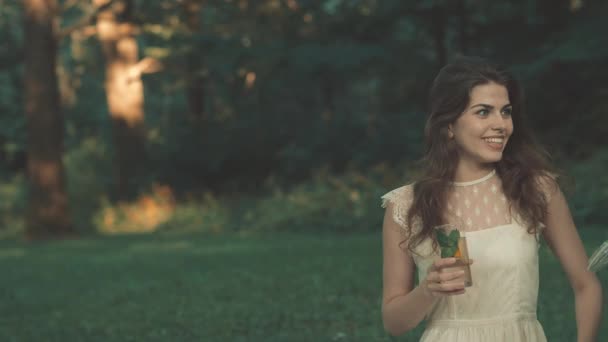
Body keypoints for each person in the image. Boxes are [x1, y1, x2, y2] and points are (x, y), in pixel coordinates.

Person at [380, 56, 602, 341]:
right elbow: (393, 323)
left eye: (506, 112)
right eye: (484, 112)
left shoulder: (536, 189)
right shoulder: (406, 205)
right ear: (449, 125)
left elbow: (587, 285)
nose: (501, 124)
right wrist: (428, 290)